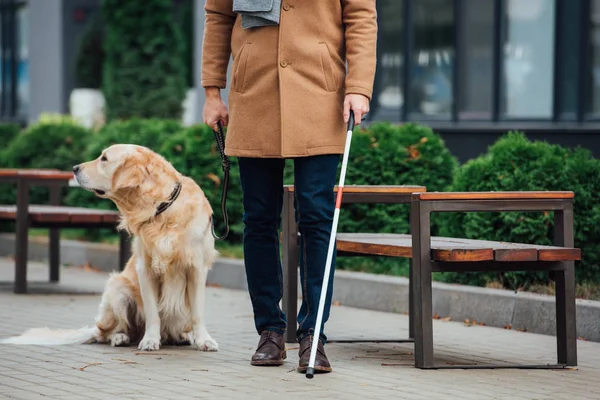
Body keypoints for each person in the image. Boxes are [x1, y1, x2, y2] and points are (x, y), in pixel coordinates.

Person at [201, 0, 377, 373]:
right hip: (254, 94)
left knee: (316, 215)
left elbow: (361, 15)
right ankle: (270, 330)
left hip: (320, 93)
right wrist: (212, 91)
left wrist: (359, 86)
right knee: (259, 218)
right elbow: (218, 15)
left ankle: (314, 333)